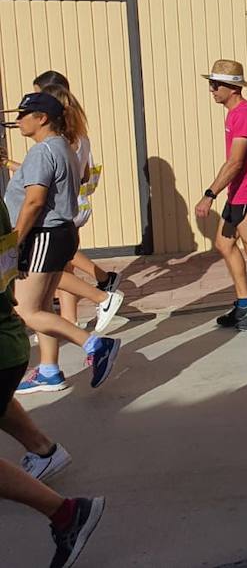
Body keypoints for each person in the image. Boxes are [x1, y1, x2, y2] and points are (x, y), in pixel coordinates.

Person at [1, 197, 104, 568]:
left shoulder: (48, 155)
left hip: (5, 342)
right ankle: (44, 451)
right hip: (8, 341)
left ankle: (65, 514)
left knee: (37, 309)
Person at [2, 92, 122, 394]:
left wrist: (15, 239)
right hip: (60, 233)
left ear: (41, 118)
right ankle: (49, 370)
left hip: (43, 234)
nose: (17, 121)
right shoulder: (64, 146)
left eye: (22, 115)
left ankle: (96, 344)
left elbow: (34, 201)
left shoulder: (43, 152)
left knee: (25, 311)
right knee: (43, 305)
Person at [195, 59, 247, 331]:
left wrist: (210, 194)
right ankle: (244, 304)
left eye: (215, 84)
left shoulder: (244, 114)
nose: (211, 89)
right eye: (211, 83)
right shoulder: (234, 113)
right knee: (224, 243)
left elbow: (236, 162)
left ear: (232, 88)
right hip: (238, 193)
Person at [31, 72, 122, 305]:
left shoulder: (59, 141)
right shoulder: (78, 133)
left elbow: (49, 177)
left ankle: (103, 291)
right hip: (75, 204)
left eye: (37, 96)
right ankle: (72, 314)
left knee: (53, 264)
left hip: (62, 207)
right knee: (65, 263)